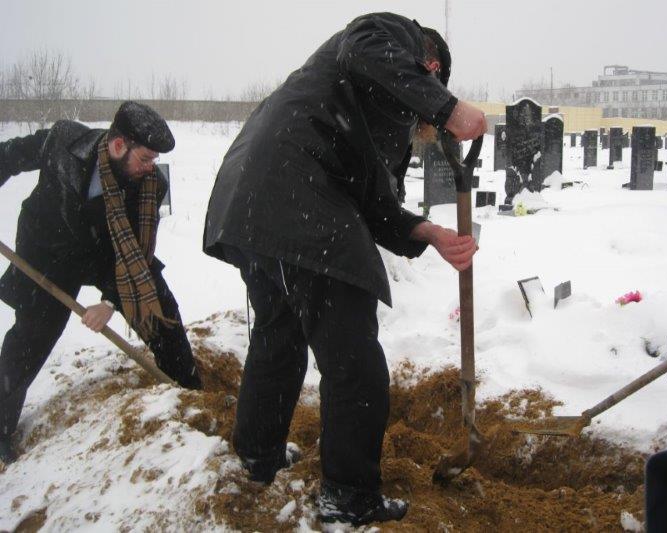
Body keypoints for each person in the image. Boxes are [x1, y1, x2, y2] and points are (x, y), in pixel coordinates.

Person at [203, 12, 485, 526]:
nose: (418, 115)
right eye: (425, 87)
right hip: (298, 202)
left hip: (253, 205)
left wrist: (431, 233)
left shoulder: (365, 107)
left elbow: (375, 202)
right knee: (354, 361)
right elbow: (364, 45)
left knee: (278, 338)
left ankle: (257, 455)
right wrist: (446, 107)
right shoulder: (385, 35)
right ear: (430, 65)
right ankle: (348, 497)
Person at [0, 101, 203, 464]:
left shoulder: (149, 183)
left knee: (158, 305)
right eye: (145, 157)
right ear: (118, 145)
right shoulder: (64, 142)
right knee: (29, 340)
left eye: (154, 159)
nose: (151, 166)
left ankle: (188, 390)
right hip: (48, 251)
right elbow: (11, 156)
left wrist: (109, 302)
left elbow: (138, 251)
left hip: (110, 255)